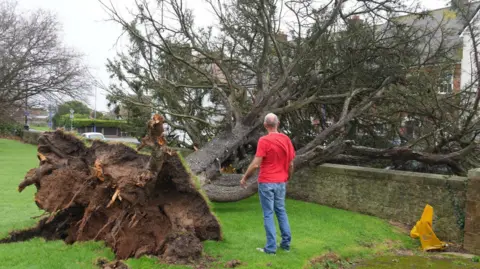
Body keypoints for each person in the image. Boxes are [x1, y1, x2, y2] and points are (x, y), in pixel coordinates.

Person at [240, 113, 296, 255]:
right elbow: (291, 163)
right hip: (280, 182)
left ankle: (270, 248)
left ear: (265, 125)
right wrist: (288, 177)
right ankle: (286, 245)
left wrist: (245, 178)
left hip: (266, 182)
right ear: (278, 124)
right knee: (281, 211)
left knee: (268, 214)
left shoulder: (264, 140)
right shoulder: (286, 139)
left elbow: (255, 164)